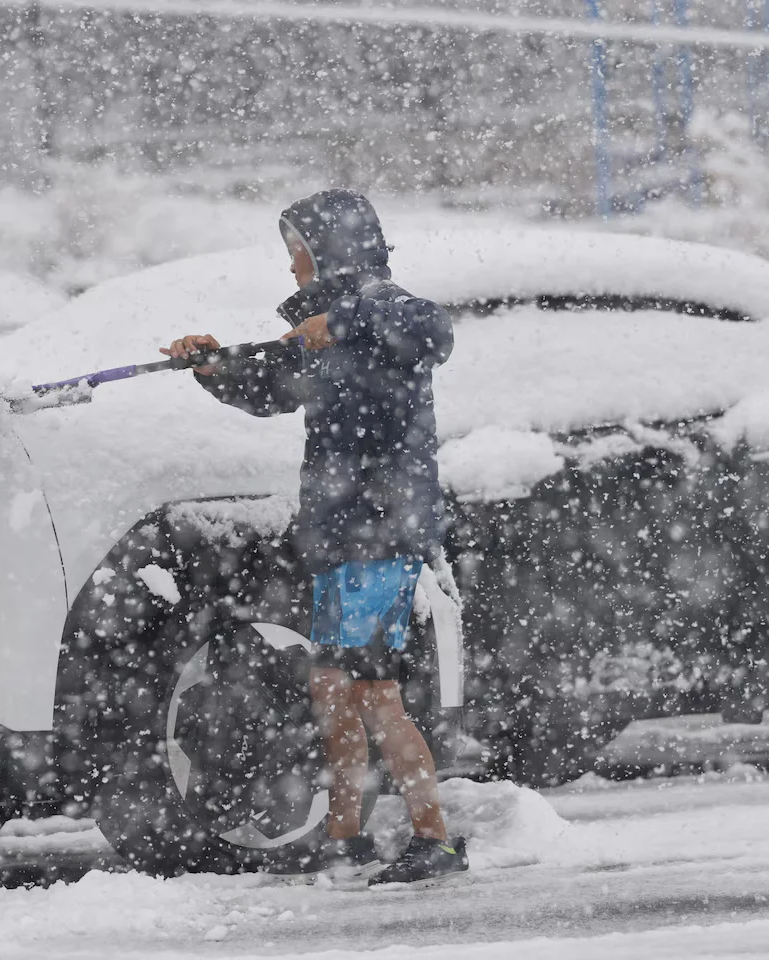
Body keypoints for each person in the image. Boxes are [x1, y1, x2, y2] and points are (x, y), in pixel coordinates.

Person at [162, 189, 468, 887]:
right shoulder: (323, 335)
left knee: (372, 693)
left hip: (383, 533)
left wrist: (346, 317)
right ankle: (345, 838)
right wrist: (212, 365)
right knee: (336, 690)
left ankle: (435, 841)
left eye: (296, 252)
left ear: (329, 251)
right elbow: (269, 384)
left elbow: (434, 327)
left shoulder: (389, 311)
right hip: (339, 539)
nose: (291, 267)